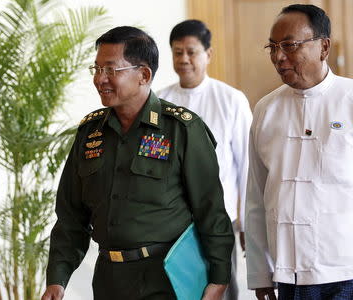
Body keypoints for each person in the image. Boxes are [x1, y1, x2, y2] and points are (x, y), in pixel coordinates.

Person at [41, 26, 235, 300]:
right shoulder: (90, 132)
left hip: (167, 279)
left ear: (143, 74)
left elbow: (211, 211)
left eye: (110, 70)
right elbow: (71, 217)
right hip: (109, 279)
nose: (100, 79)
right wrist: (57, 279)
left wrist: (218, 279)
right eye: (96, 69)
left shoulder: (182, 129)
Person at [245, 4, 353, 300]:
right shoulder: (265, 110)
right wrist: (260, 273)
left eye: (289, 45)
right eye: (273, 47)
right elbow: (256, 197)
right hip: (289, 272)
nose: (278, 57)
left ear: (323, 47)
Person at [157, 19, 252, 300]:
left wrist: (247, 224)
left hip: (218, 222)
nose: (184, 59)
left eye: (191, 51)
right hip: (172, 224)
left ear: (208, 55)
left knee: (221, 290)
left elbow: (247, 167)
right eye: (177, 52)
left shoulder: (231, 100)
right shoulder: (159, 102)